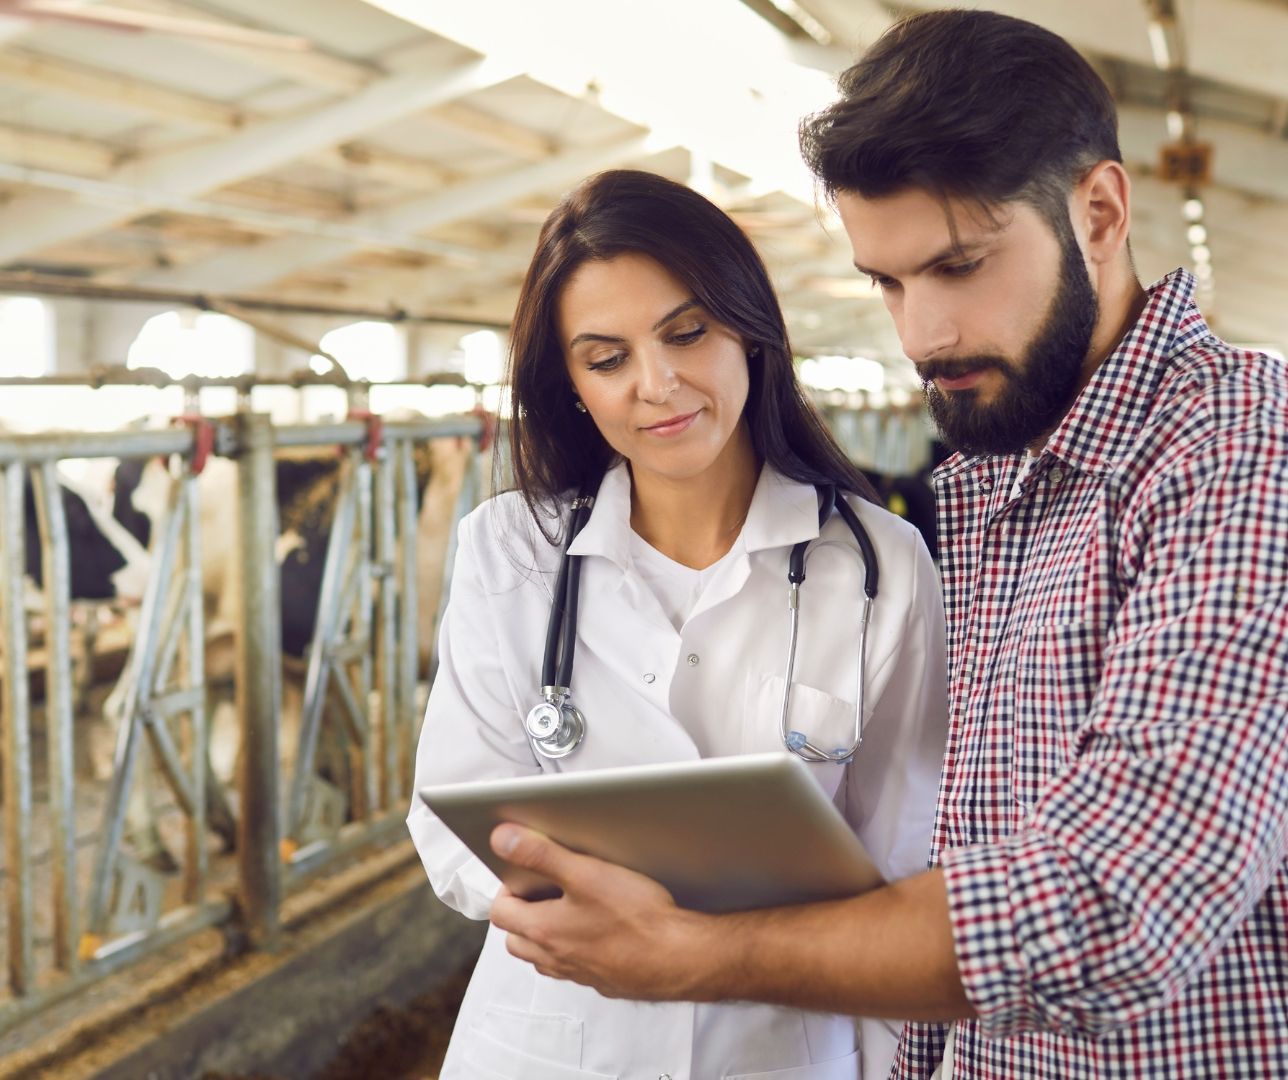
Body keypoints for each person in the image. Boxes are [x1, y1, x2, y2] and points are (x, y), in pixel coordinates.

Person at [481, 11, 1288, 1079]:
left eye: (958, 267)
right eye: (887, 281)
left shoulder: (1255, 456)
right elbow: (960, 862)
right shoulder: (998, 481)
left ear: (1099, 213)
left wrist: (701, 955)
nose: (921, 334)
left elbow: (1114, 902)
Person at [406, 168, 948, 1079]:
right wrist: (579, 908)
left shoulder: (880, 567)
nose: (656, 385)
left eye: (687, 333)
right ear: (572, 383)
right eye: (606, 358)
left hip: (780, 1046)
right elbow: (451, 821)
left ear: (751, 331)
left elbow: (902, 868)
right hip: (550, 1042)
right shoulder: (511, 550)